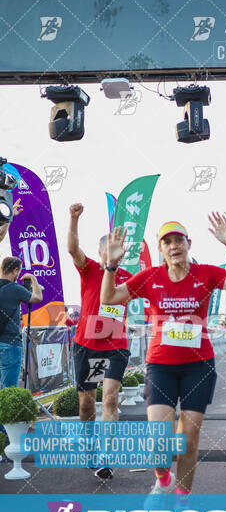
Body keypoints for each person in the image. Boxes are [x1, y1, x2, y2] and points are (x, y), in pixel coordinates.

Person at [100, 213, 226, 505]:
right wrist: (111, 266)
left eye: (179, 240)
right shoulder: (151, 278)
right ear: (161, 249)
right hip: (161, 366)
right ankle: (163, 480)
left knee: (187, 441)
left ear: (188, 244)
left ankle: (182, 500)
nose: (174, 246)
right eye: (167, 242)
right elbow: (109, 299)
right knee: (158, 443)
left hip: (198, 366)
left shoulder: (207, 274)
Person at [67, 203, 132, 480]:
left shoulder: (130, 278)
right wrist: (73, 220)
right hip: (87, 344)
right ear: (101, 252)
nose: (115, 252)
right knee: (86, 403)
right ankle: (89, 446)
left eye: (119, 248)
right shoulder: (90, 269)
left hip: (116, 346)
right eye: (110, 248)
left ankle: (106, 455)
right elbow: (72, 249)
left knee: (111, 398)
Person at [0, 256, 43, 388]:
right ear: (15, 270)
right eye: (18, 272)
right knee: (9, 389)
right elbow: (38, 297)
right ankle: (6, 409)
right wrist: (33, 278)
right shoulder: (15, 288)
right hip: (10, 342)